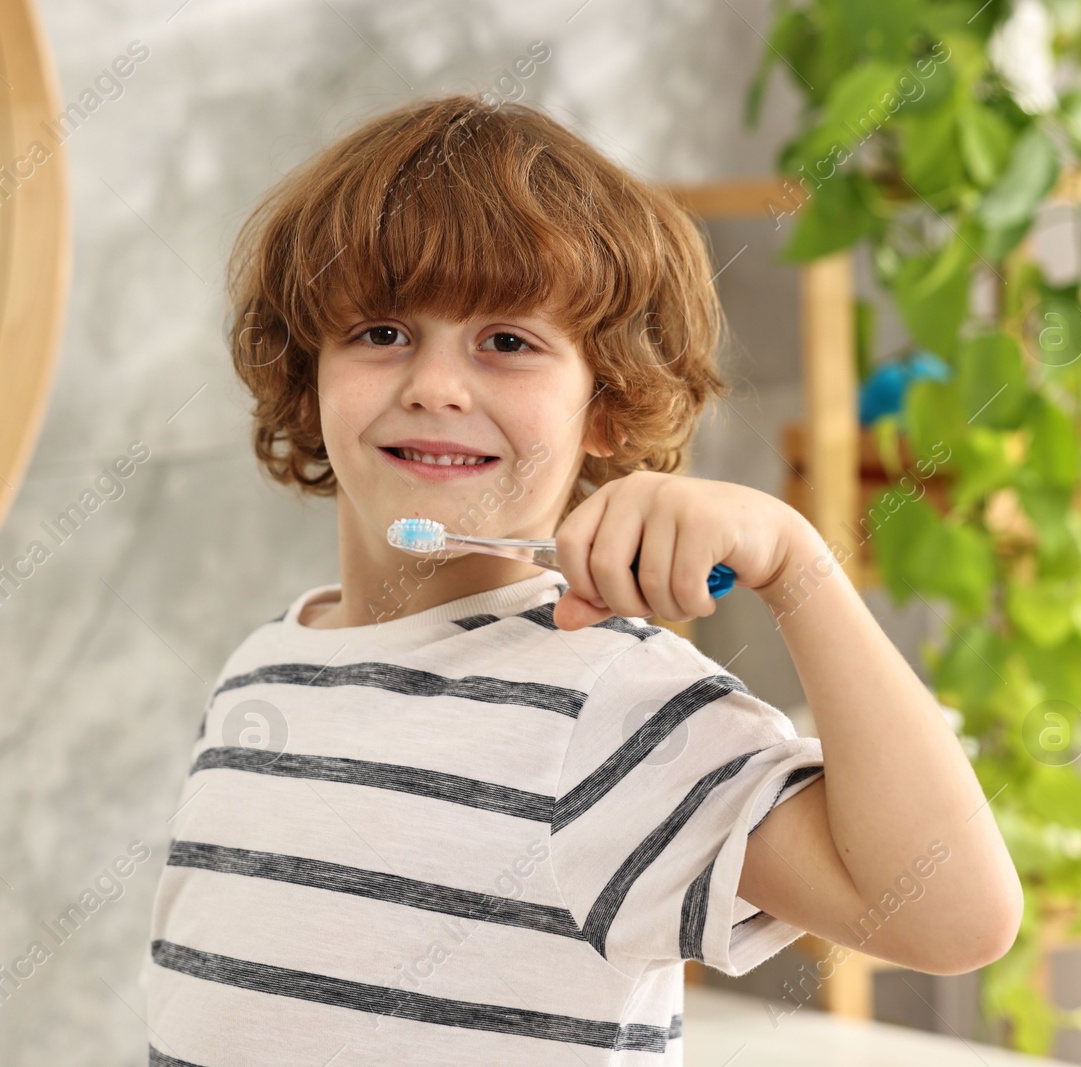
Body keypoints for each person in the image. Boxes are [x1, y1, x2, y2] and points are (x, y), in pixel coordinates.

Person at [141, 93, 1021, 1066]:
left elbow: (952, 916)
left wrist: (795, 564)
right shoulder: (262, 672)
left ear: (607, 407)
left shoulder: (605, 703)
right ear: (308, 375)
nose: (433, 383)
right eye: (381, 331)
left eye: (506, 341)